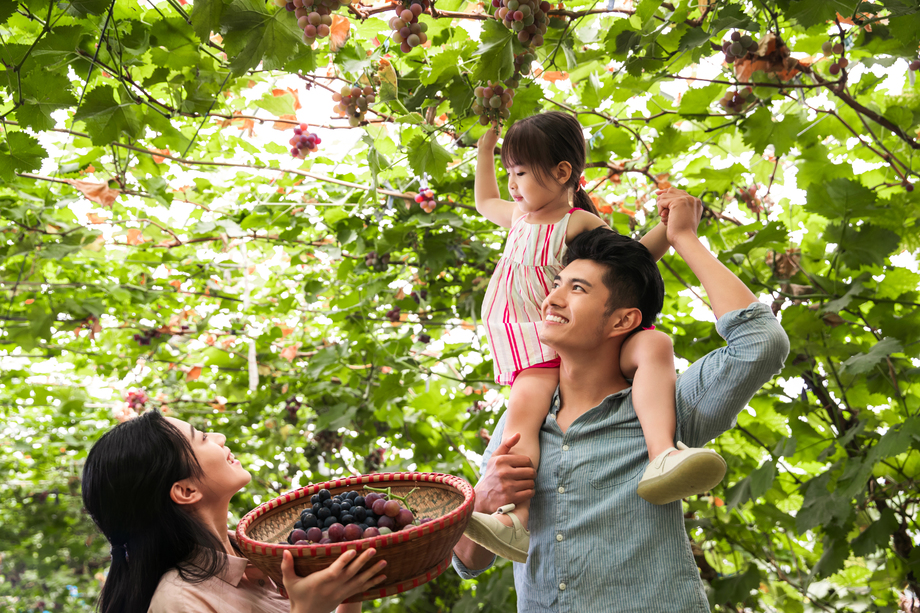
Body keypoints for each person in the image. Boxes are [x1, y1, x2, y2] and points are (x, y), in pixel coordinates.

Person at [453, 189, 790, 611]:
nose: (552, 298)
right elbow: (467, 563)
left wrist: (683, 236)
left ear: (623, 320)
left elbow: (761, 342)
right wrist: (482, 499)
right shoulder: (520, 423)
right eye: (556, 283)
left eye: (577, 289)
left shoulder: (667, 409)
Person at [465, 112, 727, 563]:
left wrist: (671, 228)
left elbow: (628, 261)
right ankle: (513, 521)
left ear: (563, 172)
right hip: (527, 339)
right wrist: (485, 149)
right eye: (510, 171)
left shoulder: (576, 225)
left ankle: (662, 453)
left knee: (649, 348)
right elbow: (483, 200)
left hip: (559, 340)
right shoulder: (518, 217)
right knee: (520, 426)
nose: (511, 183)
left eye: (521, 171)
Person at [81, 410, 386, 613]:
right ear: (186, 491)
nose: (219, 437)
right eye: (201, 438)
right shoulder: (179, 601)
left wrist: (349, 591)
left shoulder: (266, 558)